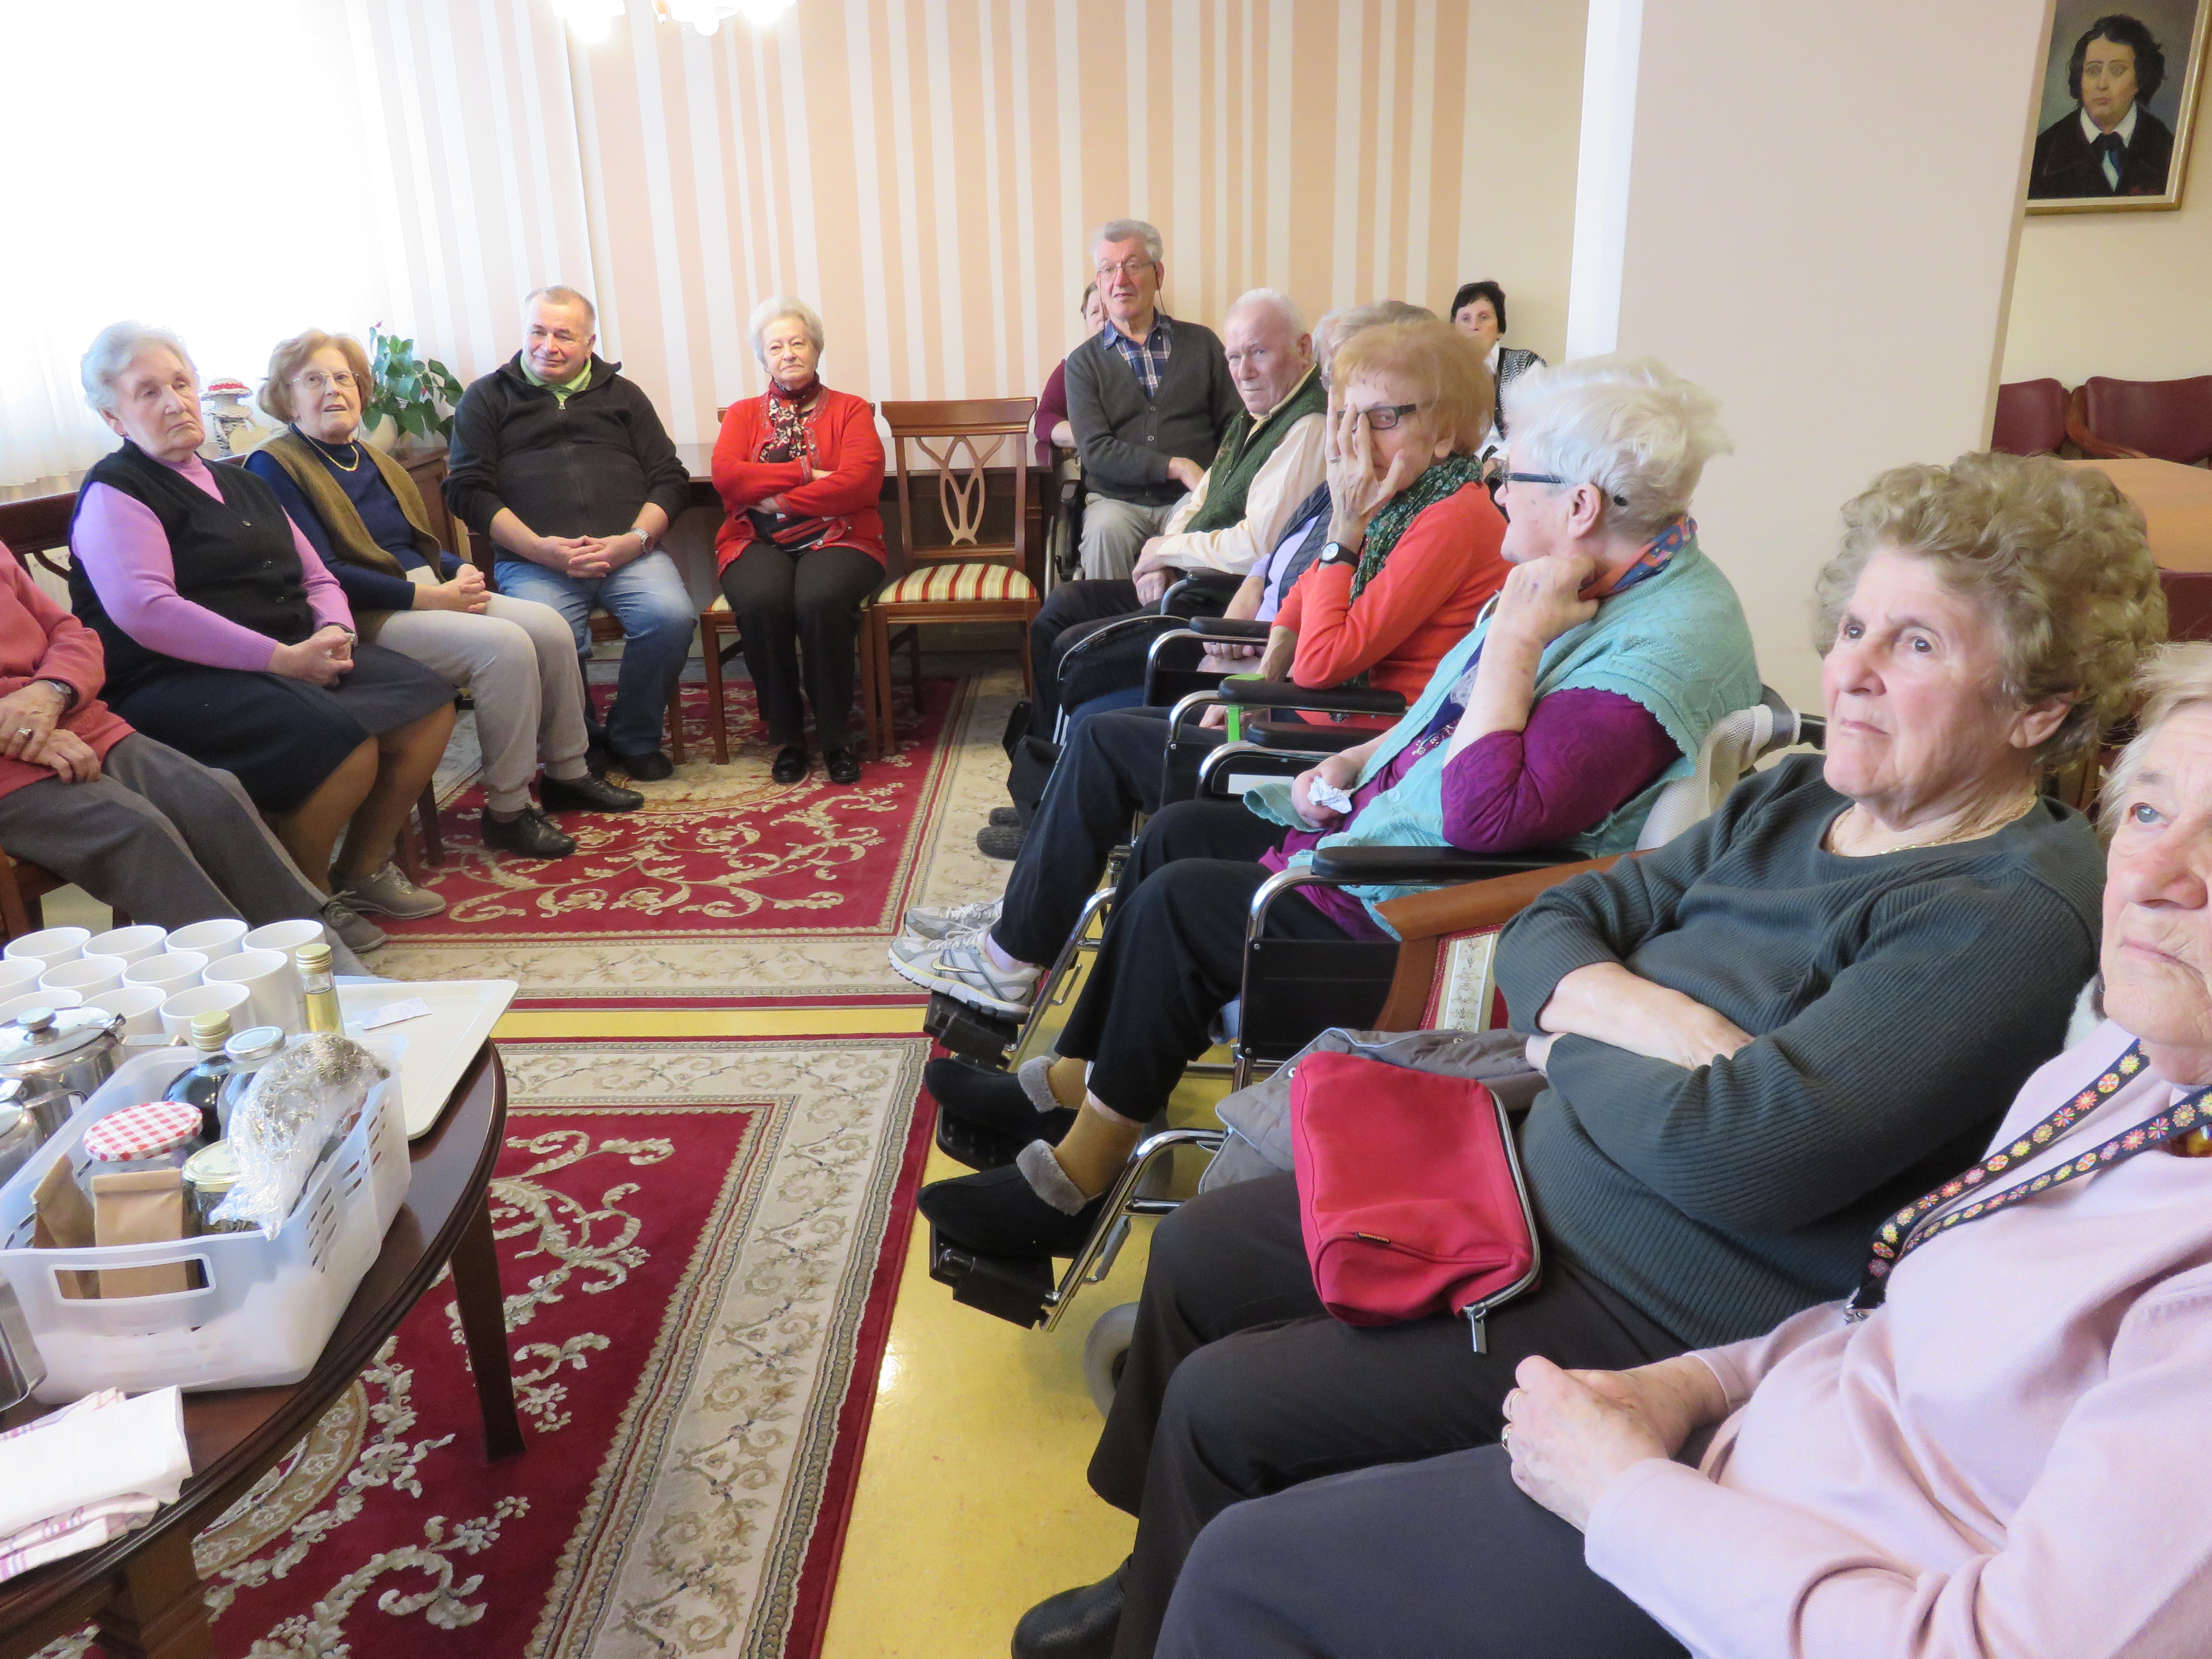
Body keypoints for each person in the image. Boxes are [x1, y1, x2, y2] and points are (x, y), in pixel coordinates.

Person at [1000, 450, 2162, 1659]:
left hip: (1654, 1300)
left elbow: (1737, 1154)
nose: (1852, 670)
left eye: (1917, 645)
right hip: (1521, 1186)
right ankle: (1153, 1571)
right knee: (1197, 1252)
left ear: (2039, 706)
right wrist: (1639, 1015)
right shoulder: (1802, 802)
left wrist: (1564, 1044)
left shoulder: (2003, 911)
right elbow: (1561, 920)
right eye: (1857, 626)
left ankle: (1176, 1605)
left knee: (1227, 1404)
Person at [904, 356, 1766, 1281]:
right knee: (1177, 835)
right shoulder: (1591, 574)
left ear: (1582, 505)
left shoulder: (1660, 644)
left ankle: (1073, 1185)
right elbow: (1444, 712)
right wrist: (1358, 759)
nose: (1496, 488)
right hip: (1396, 836)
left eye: (1510, 472)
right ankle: (1080, 1081)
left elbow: (1486, 818)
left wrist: (1515, 639)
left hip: (1445, 926)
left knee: (1180, 904)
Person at [68, 323, 457, 943]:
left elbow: (317, 575)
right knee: (342, 745)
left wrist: (335, 630)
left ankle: (360, 868)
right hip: (175, 680)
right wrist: (282, 659)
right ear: (115, 418)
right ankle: (300, 904)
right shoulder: (116, 493)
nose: (175, 402)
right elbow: (148, 611)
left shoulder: (243, 480)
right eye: (149, 393)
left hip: (286, 655)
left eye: (181, 384)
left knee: (428, 704)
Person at [247, 330, 643, 859]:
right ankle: (508, 810)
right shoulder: (275, 465)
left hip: (425, 590)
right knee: (504, 647)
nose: (334, 390)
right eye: (314, 380)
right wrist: (430, 597)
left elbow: (418, 545)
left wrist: (461, 572)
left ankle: (568, 773)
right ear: (286, 396)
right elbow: (323, 573)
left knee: (549, 627)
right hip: (364, 612)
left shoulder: (371, 458)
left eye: (343, 378)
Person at [0, 541, 372, 965]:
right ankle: (236, 973)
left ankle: (319, 955)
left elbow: (71, 633)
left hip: (68, 714)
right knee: (134, 828)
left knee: (211, 796)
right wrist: (17, 731)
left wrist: (54, 690)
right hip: (9, 758)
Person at [443, 286, 695, 781]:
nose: (548, 346)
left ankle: (634, 736)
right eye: (538, 331)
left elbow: (670, 479)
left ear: (590, 343)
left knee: (670, 617)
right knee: (547, 633)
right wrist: (539, 548)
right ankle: (579, 743)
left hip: (630, 555)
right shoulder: (486, 398)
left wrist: (633, 542)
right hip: (534, 562)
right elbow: (467, 490)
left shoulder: (625, 396)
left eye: (564, 335)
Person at [710, 299, 887, 787]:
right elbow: (727, 477)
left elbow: (861, 482)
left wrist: (779, 500)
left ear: (816, 349)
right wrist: (809, 472)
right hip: (755, 539)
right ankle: (788, 737)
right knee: (763, 602)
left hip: (843, 535)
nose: (788, 353)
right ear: (763, 359)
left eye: (797, 343)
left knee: (820, 600)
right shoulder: (743, 415)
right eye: (776, 347)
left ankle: (835, 738)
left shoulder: (851, 409)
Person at [1064, 219, 1241, 580]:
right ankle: (1111, 619)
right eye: (1108, 269)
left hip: (1190, 498)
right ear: (1099, 282)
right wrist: (1175, 466)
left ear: (1158, 274)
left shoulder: (1203, 345)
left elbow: (1235, 426)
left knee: (1202, 531)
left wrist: (1217, 484)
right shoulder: (1083, 364)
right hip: (1116, 502)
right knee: (1104, 533)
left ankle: (1183, 619)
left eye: (1132, 266)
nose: (1120, 280)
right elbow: (1096, 450)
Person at [2029, 13, 2176, 199]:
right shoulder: (2041, 154)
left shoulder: (2169, 149)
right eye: (2093, 71)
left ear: (2141, 77)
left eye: (2117, 70)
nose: (2102, 84)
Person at [1450, 279, 1545, 455]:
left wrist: (1497, 462)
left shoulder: (1524, 364)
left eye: (1484, 317)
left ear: (1500, 329)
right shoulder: (1443, 374)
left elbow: (1535, 430)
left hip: (1514, 460)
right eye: (1465, 319)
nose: (1474, 326)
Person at [1034, 282, 1105, 467]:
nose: (1103, 317)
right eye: (1095, 312)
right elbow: (1043, 421)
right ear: (1087, 321)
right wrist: (1093, 439)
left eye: (1108, 308)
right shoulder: (1075, 364)